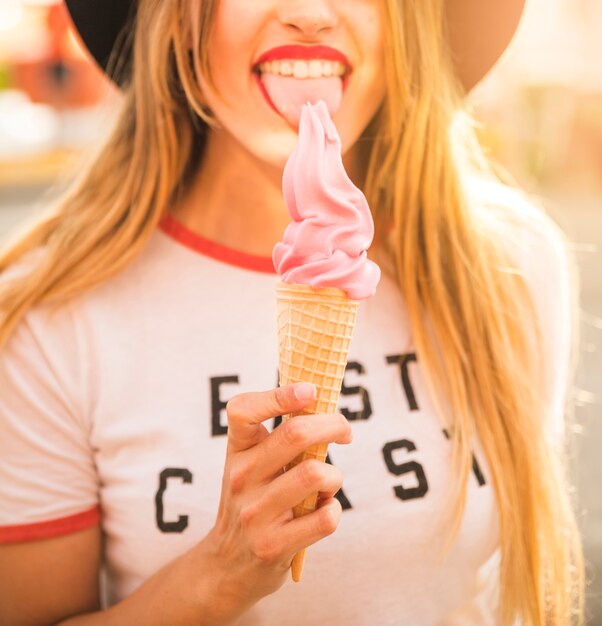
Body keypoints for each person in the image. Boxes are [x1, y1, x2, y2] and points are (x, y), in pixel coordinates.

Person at [0, 0, 585, 624]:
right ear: (175, 21)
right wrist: (217, 576)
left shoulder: (509, 266)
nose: (310, 13)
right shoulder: (47, 320)